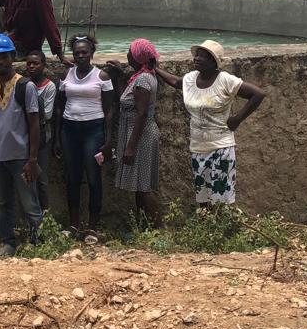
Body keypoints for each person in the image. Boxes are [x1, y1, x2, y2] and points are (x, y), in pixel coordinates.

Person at [156, 40, 266, 207]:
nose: (197, 58)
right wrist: (154, 68)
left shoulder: (225, 80)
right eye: (197, 55)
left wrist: (237, 119)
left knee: (221, 200)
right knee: (203, 198)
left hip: (221, 148)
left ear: (214, 61)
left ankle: (221, 224)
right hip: (198, 147)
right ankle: (206, 224)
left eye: (204, 56)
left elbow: (258, 94)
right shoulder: (191, 78)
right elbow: (176, 82)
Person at [0, 33, 43, 257]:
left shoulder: (25, 86)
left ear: (12, 57)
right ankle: (8, 241)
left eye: (3, 57)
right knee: (3, 202)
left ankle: (38, 241)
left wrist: (32, 159)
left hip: (20, 156)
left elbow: (34, 124)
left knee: (29, 202)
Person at [53, 34, 115, 235]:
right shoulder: (66, 75)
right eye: (77, 53)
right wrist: (57, 138)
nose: (80, 56)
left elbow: (109, 110)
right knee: (72, 177)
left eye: (84, 52)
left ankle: (92, 227)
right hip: (69, 130)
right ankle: (73, 225)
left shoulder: (102, 77)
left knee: (93, 177)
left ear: (91, 53)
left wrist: (108, 140)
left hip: (93, 130)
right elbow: (59, 106)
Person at [107, 38, 162, 227]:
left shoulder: (143, 79)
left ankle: (158, 231)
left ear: (137, 57)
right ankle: (143, 227)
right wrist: (120, 74)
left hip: (140, 136)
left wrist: (130, 147)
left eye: (130, 52)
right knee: (140, 185)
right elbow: (127, 99)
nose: (127, 55)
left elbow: (141, 113)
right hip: (138, 134)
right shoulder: (141, 76)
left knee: (144, 188)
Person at [24, 50, 56, 213]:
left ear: (43, 65)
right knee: (26, 177)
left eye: (35, 63)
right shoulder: (23, 84)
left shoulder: (49, 86)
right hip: (25, 136)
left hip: (43, 136)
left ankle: (45, 213)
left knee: (41, 177)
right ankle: (31, 214)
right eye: (29, 63)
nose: (31, 66)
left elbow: (48, 114)